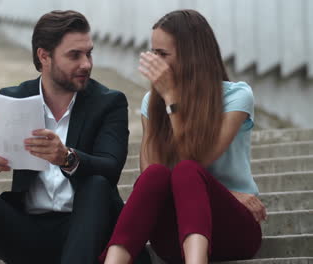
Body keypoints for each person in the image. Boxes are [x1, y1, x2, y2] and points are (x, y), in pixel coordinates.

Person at [0, 10, 135, 264]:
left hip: (86, 229)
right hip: (27, 232)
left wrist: (66, 157)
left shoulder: (108, 102)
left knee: (97, 184)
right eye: (74, 55)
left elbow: (111, 167)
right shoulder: (14, 99)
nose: (86, 64)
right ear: (44, 56)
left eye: (89, 53)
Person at [99, 9, 266, 264]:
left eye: (163, 54)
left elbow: (199, 159)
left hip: (233, 229)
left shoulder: (236, 97)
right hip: (175, 235)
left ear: (191, 56)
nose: (155, 62)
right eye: (153, 52)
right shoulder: (151, 102)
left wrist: (173, 100)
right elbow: (152, 174)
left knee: (187, 169)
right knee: (156, 175)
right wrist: (163, 100)